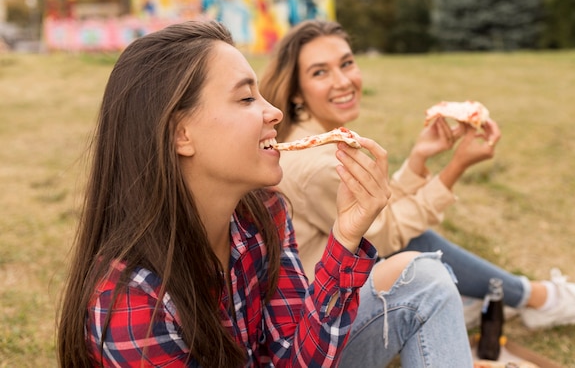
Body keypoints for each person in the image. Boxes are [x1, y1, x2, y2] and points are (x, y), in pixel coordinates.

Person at [56, 20, 396, 367]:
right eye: (247, 97)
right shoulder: (135, 304)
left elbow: (292, 360)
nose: (274, 112)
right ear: (181, 134)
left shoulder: (265, 215)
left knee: (423, 277)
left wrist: (345, 236)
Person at [259, 19, 575, 341]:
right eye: (320, 72)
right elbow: (387, 236)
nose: (343, 80)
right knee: (418, 246)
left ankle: (504, 295)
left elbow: (377, 214)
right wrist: (454, 168)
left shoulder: (312, 138)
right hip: (317, 325)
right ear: (296, 92)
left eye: (347, 63)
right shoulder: (319, 163)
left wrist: (419, 158)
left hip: (323, 291)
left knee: (418, 244)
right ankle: (535, 297)